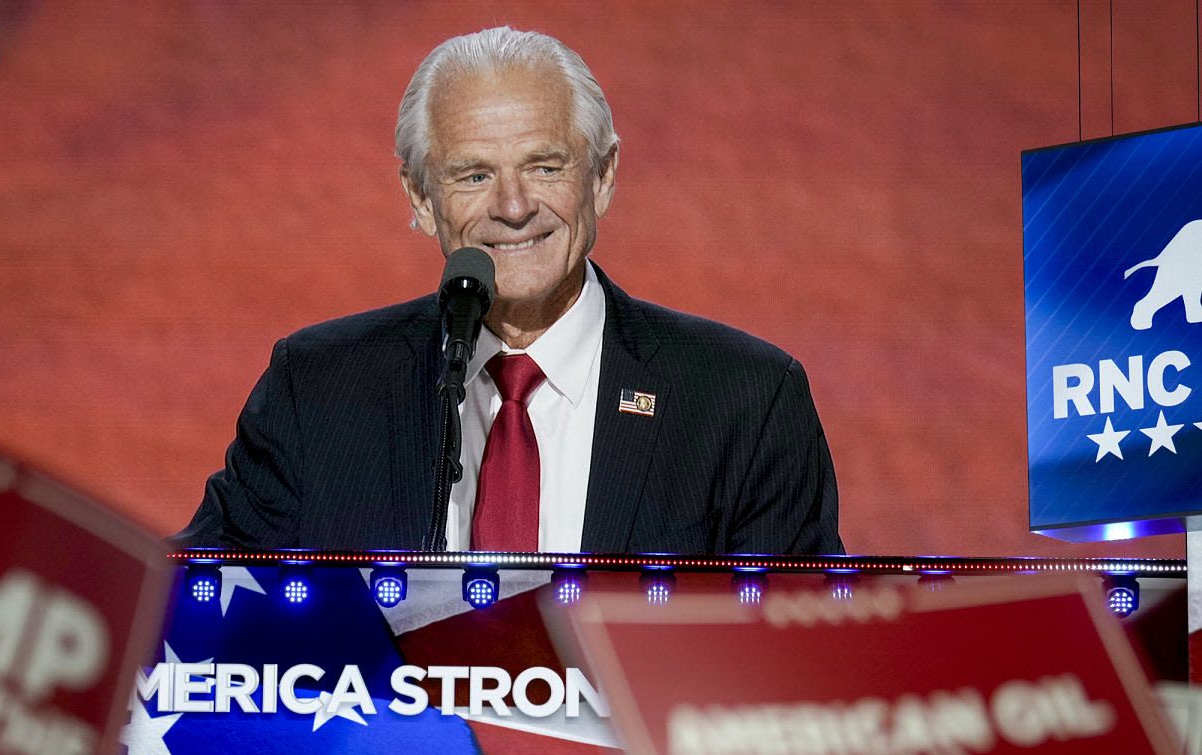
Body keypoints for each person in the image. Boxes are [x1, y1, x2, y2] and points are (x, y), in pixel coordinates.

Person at [177, 26, 841, 555]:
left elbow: (791, 665)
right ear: (421, 197)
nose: (514, 206)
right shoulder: (319, 389)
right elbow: (187, 609)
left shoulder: (744, 402)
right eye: (472, 177)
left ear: (603, 176)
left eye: (545, 166)